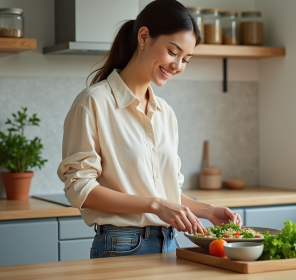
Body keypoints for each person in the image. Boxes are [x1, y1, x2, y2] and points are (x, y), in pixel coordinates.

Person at [57, 0, 242, 259]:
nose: (178, 65)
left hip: (169, 243)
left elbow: (166, 193)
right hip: (121, 245)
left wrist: (208, 211)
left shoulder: (165, 113)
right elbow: (80, 189)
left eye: (186, 59)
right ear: (144, 37)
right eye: (172, 52)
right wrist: (156, 205)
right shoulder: (93, 103)